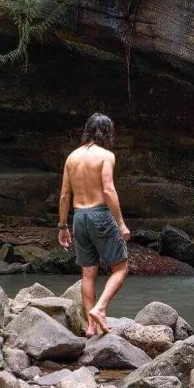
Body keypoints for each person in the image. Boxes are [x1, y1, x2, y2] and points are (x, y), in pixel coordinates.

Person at [58, 113, 131, 336]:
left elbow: (64, 195)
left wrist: (62, 226)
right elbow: (108, 189)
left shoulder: (72, 157)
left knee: (88, 273)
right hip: (100, 213)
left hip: (79, 216)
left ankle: (91, 328)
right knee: (121, 267)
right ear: (107, 132)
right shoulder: (106, 155)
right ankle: (99, 309)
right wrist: (121, 223)